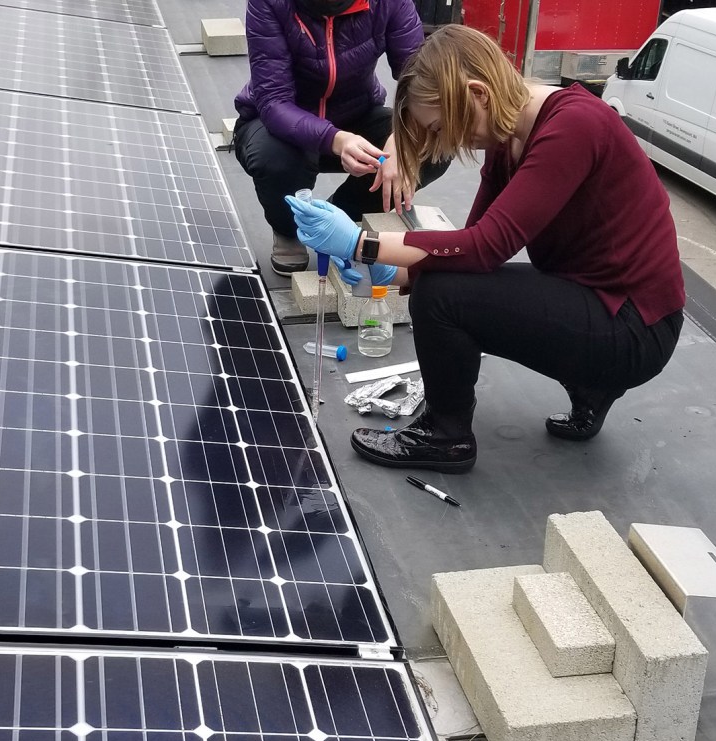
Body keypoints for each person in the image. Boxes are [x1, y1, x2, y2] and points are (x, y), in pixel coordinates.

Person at [286, 24, 685, 474]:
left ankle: (446, 437)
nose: (447, 144)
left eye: (441, 127)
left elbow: (484, 248)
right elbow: (464, 254)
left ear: (476, 93)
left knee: (441, 298)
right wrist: (388, 273)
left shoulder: (575, 125)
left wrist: (363, 243)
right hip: (596, 299)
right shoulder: (509, 139)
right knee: (442, 284)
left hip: (637, 328)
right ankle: (592, 384)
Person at [233, 0, 450, 276]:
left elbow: (420, 78)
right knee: (274, 159)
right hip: (280, 124)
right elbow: (274, 102)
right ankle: (289, 229)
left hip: (356, 113)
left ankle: (341, 217)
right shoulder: (270, 4)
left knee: (434, 144)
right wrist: (337, 139)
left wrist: (403, 138)